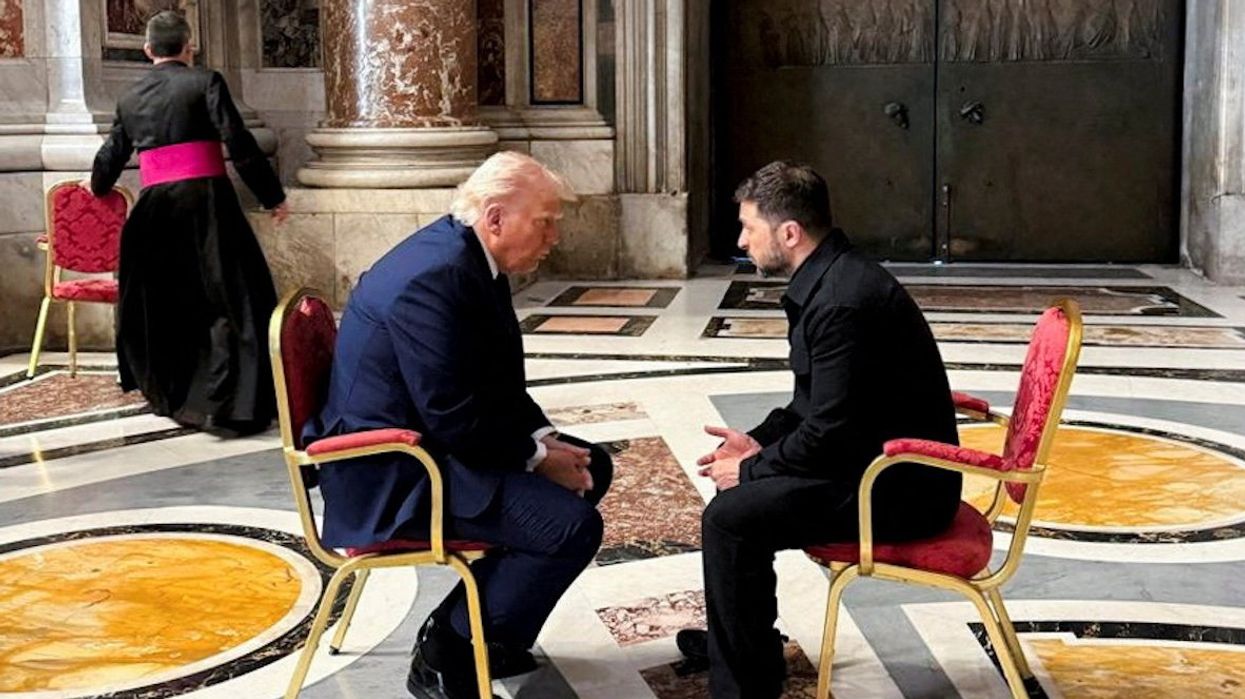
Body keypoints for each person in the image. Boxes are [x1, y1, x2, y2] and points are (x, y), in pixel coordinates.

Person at [303, 151, 613, 699]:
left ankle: (492, 628)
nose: (554, 237)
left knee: (595, 466)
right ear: (495, 217)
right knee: (569, 528)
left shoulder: (468, 256)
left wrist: (543, 441)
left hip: (432, 444)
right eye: (545, 221)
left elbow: (493, 383)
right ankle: (446, 645)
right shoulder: (436, 276)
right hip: (393, 472)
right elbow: (451, 412)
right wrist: (537, 459)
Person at [681, 161, 962, 698]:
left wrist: (752, 468)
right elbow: (812, 407)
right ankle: (742, 649)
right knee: (738, 504)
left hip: (899, 488)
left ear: (789, 233)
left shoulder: (841, 301)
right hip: (871, 463)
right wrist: (757, 443)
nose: (741, 241)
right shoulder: (832, 279)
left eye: (749, 228)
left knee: (730, 518)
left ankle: (744, 681)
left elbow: (830, 431)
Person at [89, 11, 288, 435]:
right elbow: (238, 142)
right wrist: (273, 195)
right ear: (189, 46)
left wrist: (98, 188)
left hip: (154, 210)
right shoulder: (205, 81)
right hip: (208, 204)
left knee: (168, 303)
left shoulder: (129, 98)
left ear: (147, 50)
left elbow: (110, 156)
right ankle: (230, 403)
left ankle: (176, 394)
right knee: (232, 300)